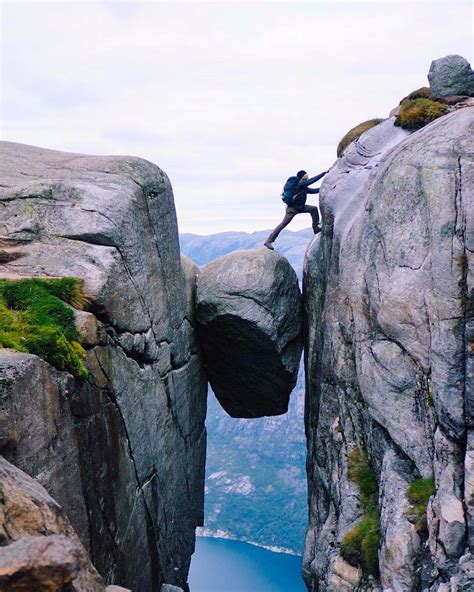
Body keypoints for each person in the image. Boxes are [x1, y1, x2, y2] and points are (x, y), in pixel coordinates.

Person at [264, 169, 328, 250]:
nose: (308, 175)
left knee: (313, 209)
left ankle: (315, 228)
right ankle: (268, 241)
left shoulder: (303, 187)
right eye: (306, 174)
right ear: (303, 176)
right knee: (282, 225)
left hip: (300, 207)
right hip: (292, 209)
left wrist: (326, 187)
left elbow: (314, 191)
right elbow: (312, 180)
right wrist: (324, 173)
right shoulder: (301, 183)